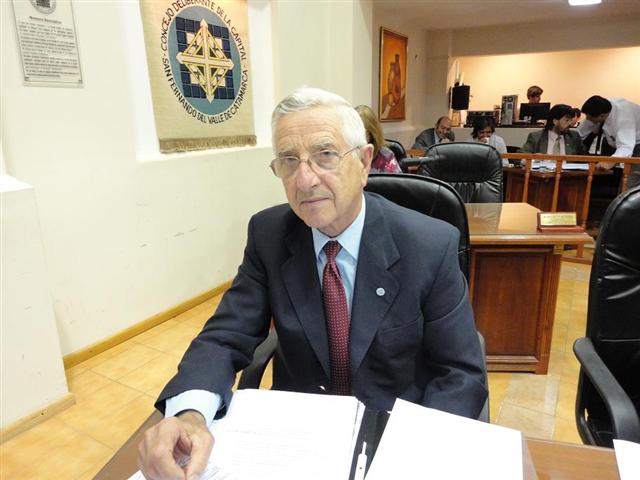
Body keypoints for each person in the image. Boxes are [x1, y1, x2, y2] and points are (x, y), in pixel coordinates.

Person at [137, 87, 487, 479]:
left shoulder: (429, 244)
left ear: (364, 162)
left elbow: (460, 373)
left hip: (393, 436)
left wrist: (415, 456)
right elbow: (225, 335)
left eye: (325, 155)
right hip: (296, 441)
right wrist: (189, 415)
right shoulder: (269, 234)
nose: (304, 180)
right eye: (289, 160)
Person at [577, 96, 640, 184]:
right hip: (613, 143)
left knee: (629, 181)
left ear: (602, 116)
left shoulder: (624, 118)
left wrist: (610, 162)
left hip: (636, 144)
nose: (587, 119)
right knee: (604, 173)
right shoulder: (600, 108)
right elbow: (581, 132)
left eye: (589, 117)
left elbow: (626, 147)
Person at [520, 104, 586, 155]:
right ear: (555, 121)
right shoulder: (536, 136)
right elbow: (520, 156)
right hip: (544, 169)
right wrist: (533, 159)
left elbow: (585, 157)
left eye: (571, 120)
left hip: (567, 169)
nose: (570, 123)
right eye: (567, 120)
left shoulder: (574, 136)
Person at [355, 105, 401, 174]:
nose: (356, 137)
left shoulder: (386, 156)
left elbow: (396, 180)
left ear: (371, 134)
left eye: (361, 133)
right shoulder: (345, 155)